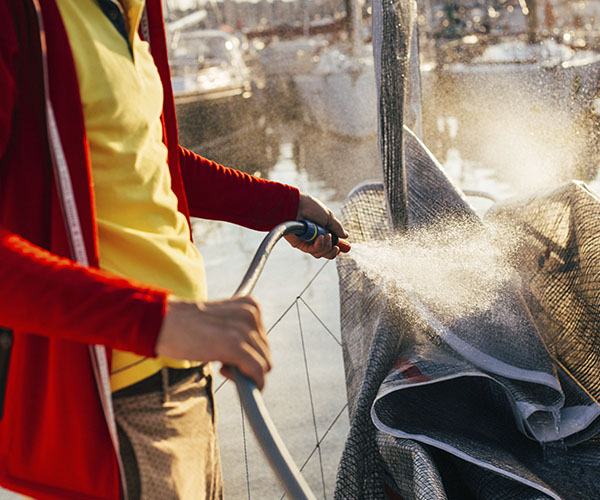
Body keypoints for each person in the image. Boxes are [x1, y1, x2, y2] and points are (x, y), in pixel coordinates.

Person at [0, 1, 350, 499]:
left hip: (186, 380)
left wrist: (281, 203)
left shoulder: (129, 12)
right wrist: (161, 321)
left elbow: (149, 155)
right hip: (120, 407)